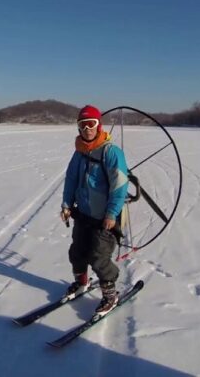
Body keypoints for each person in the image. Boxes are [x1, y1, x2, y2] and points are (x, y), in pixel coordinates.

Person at [60, 105, 129, 315]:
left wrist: (111, 213)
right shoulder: (79, 152)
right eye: (83, 125)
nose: (87, 129)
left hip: (105, 218)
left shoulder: (111, 152)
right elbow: (71, 180)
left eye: (92, 124)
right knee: (77, 252)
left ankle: (110, 295)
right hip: (83, 214)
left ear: (99, 125)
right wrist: (66, 204)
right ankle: (82, 282)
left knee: (99, 258)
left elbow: (120, 185)